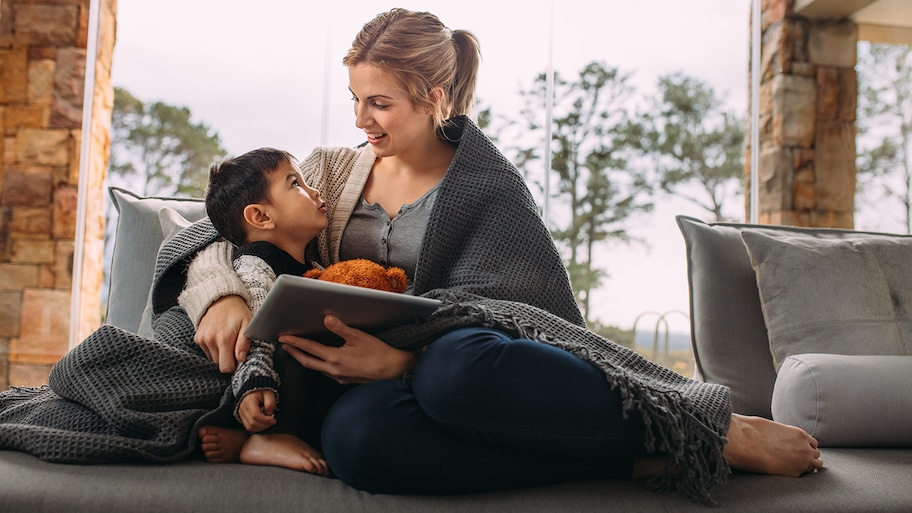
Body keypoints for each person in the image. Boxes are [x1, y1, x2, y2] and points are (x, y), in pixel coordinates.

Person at [182, 8, 822, 503]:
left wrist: (403, 360)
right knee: (359, 441)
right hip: (357, 391)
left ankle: (708, 428)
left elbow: (526, 317)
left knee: (453, 370)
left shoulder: (489, 188)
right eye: (354, 98)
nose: (360, 120)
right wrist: (224, 292)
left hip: (461, 370)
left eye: (379, 103)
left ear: (435, 96)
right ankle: (637, 460)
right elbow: (220, 226)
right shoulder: (327, 172)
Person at [197, 147, 330, 475]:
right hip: (260, 383)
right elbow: (255, 330)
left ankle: (244, 440)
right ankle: (270, 436)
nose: (315, 191)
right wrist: (253, 383)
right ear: (260, 217)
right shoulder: (257, 260)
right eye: (295, 184)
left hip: (298, 386)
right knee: (293, 339)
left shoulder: (314, 267)